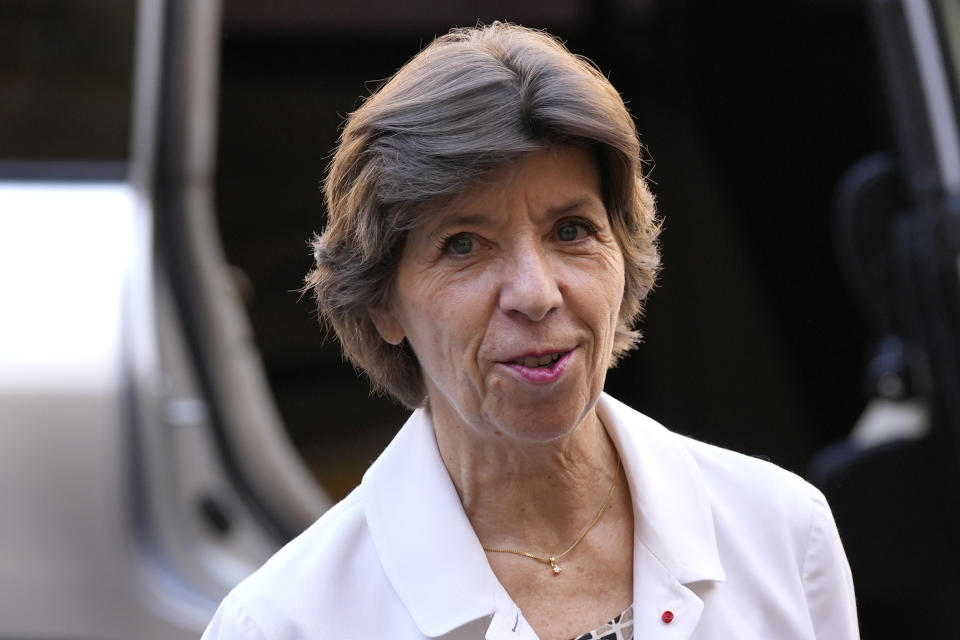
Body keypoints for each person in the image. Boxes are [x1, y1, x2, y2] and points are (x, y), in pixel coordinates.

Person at [202, 23, 859, 640]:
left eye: (571, 231)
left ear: (624, 256)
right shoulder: (287, 623)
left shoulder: (781, 534)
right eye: (464, 245)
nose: (536, 294)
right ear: (383, 305)